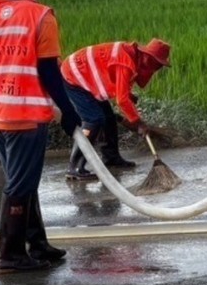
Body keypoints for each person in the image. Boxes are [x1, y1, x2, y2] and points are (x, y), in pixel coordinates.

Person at [0, 0, 82, 273]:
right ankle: (11, 254)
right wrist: (69, 112)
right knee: (20, 185)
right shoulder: (41, 16)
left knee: (23, 180)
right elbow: (49, 72)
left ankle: (37, 243)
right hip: (27, 117)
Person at [61, 38, 173, 182]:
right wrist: (138, 123)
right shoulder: (125, 61)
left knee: (108, 117)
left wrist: (127, 93)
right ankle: (75, 167)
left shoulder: (132, 57)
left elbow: (115, 79)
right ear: (147, 57)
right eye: (157, 64)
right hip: (74, 77)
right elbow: (122, 100)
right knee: (93, 119)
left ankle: (111, 158)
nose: (156, 68)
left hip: (87, 77)